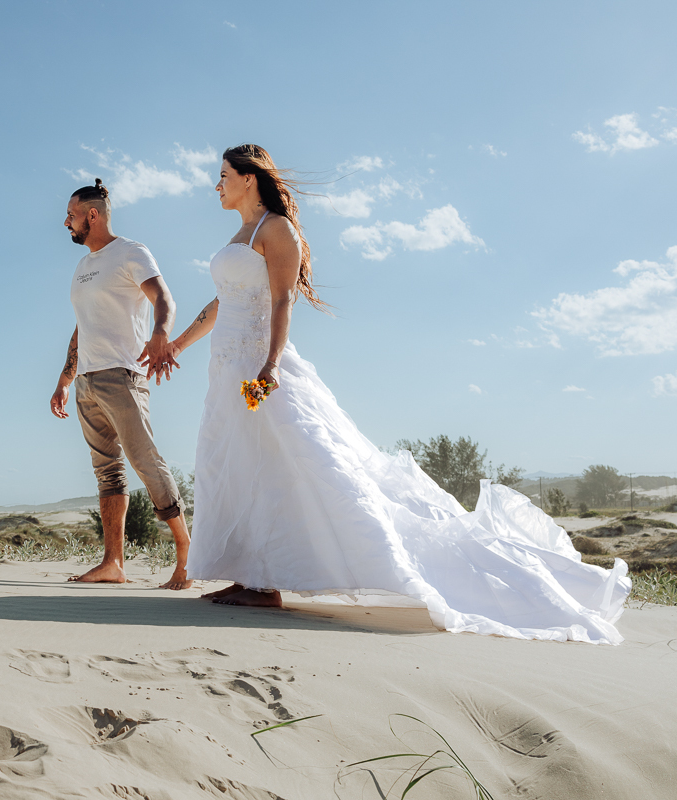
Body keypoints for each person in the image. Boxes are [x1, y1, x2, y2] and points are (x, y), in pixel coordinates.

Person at [160, 144, 629, 644]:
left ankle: (267, 583)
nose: (218, 185)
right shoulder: (239, 233)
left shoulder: (276, 229)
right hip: (225, 369)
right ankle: (248, 573)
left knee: (284, 465)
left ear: (249, 180)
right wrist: (177, 345)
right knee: (234, 461)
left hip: (258, 368)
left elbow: (282, 300)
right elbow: (222, 301)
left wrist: (270, 364)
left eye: (225, 175)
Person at [50, 179, 192, 590]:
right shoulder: (81, 268)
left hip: (123, 375)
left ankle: (187, 551)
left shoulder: (131, 251)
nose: (66, 223)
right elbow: (82, 326)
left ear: (92, 215)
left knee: (146, 462)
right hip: (88, 382)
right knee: (107, 473)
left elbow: (164, 297)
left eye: (72, 216)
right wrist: (65, 376)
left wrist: (161, 334)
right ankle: (113, 563)